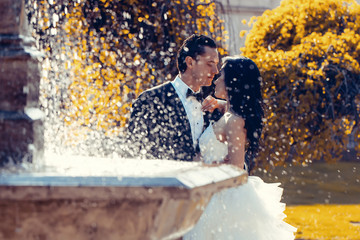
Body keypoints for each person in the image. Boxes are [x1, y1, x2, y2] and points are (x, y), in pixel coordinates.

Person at [184, 56, 297, 239]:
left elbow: (235, 169)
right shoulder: (230, 114)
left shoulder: (235, 121)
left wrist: (202, 167)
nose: (217, 78)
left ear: (232, 82)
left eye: (221, 75)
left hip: (223, 199)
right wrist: (220, 104)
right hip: (213, 192)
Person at [126, 34, 223, 161]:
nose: (216, 70)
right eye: (210, 63)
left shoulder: (212, 106)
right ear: (190, 62)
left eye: (216, 64)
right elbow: (134, 150)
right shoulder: (151, 99)